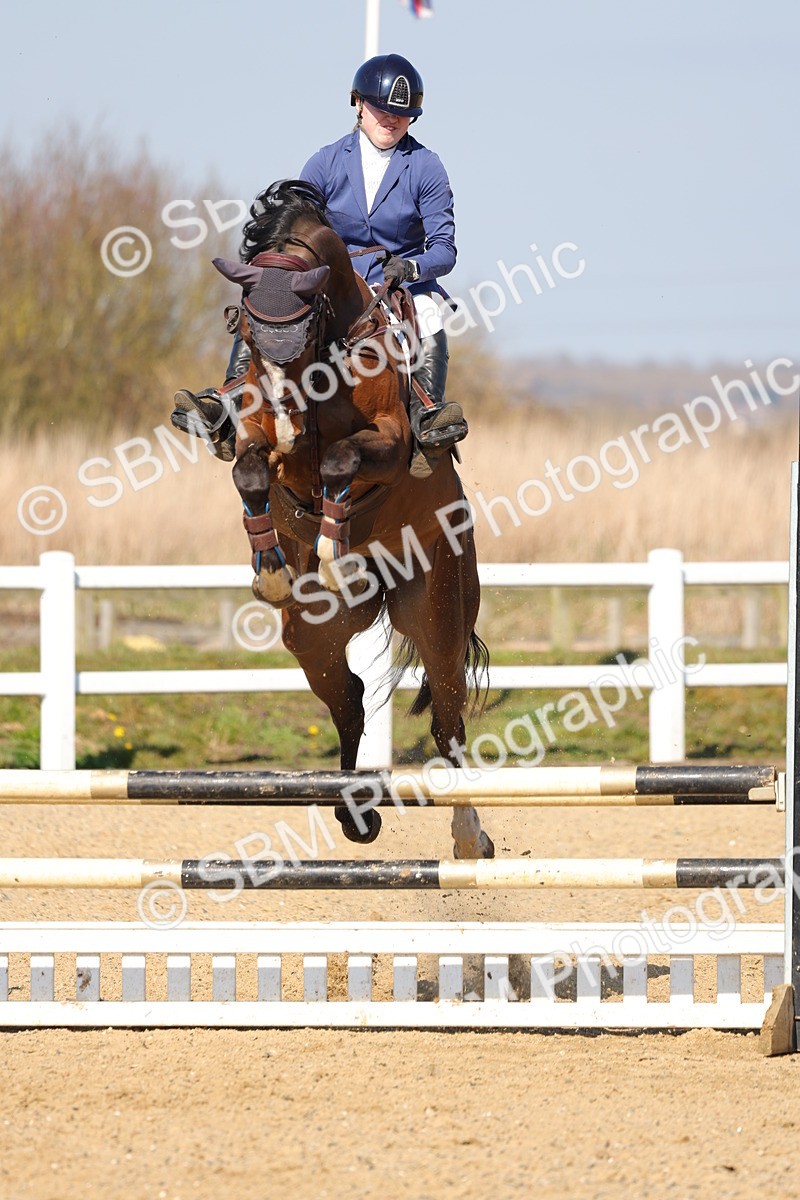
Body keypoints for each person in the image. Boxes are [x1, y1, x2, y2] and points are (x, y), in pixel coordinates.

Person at [172, 52, 467, 477]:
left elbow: (445, 248)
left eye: (402, 114)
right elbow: (293, 228)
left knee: (432, 312)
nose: (391, 120)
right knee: (269, 297)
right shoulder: (326, 161)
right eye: (383, 109)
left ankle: (425, 418)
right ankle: (229, 398)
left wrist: (412, 268)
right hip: (331, 280)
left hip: (395, 285)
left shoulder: (425, 166)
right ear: (359, 105)